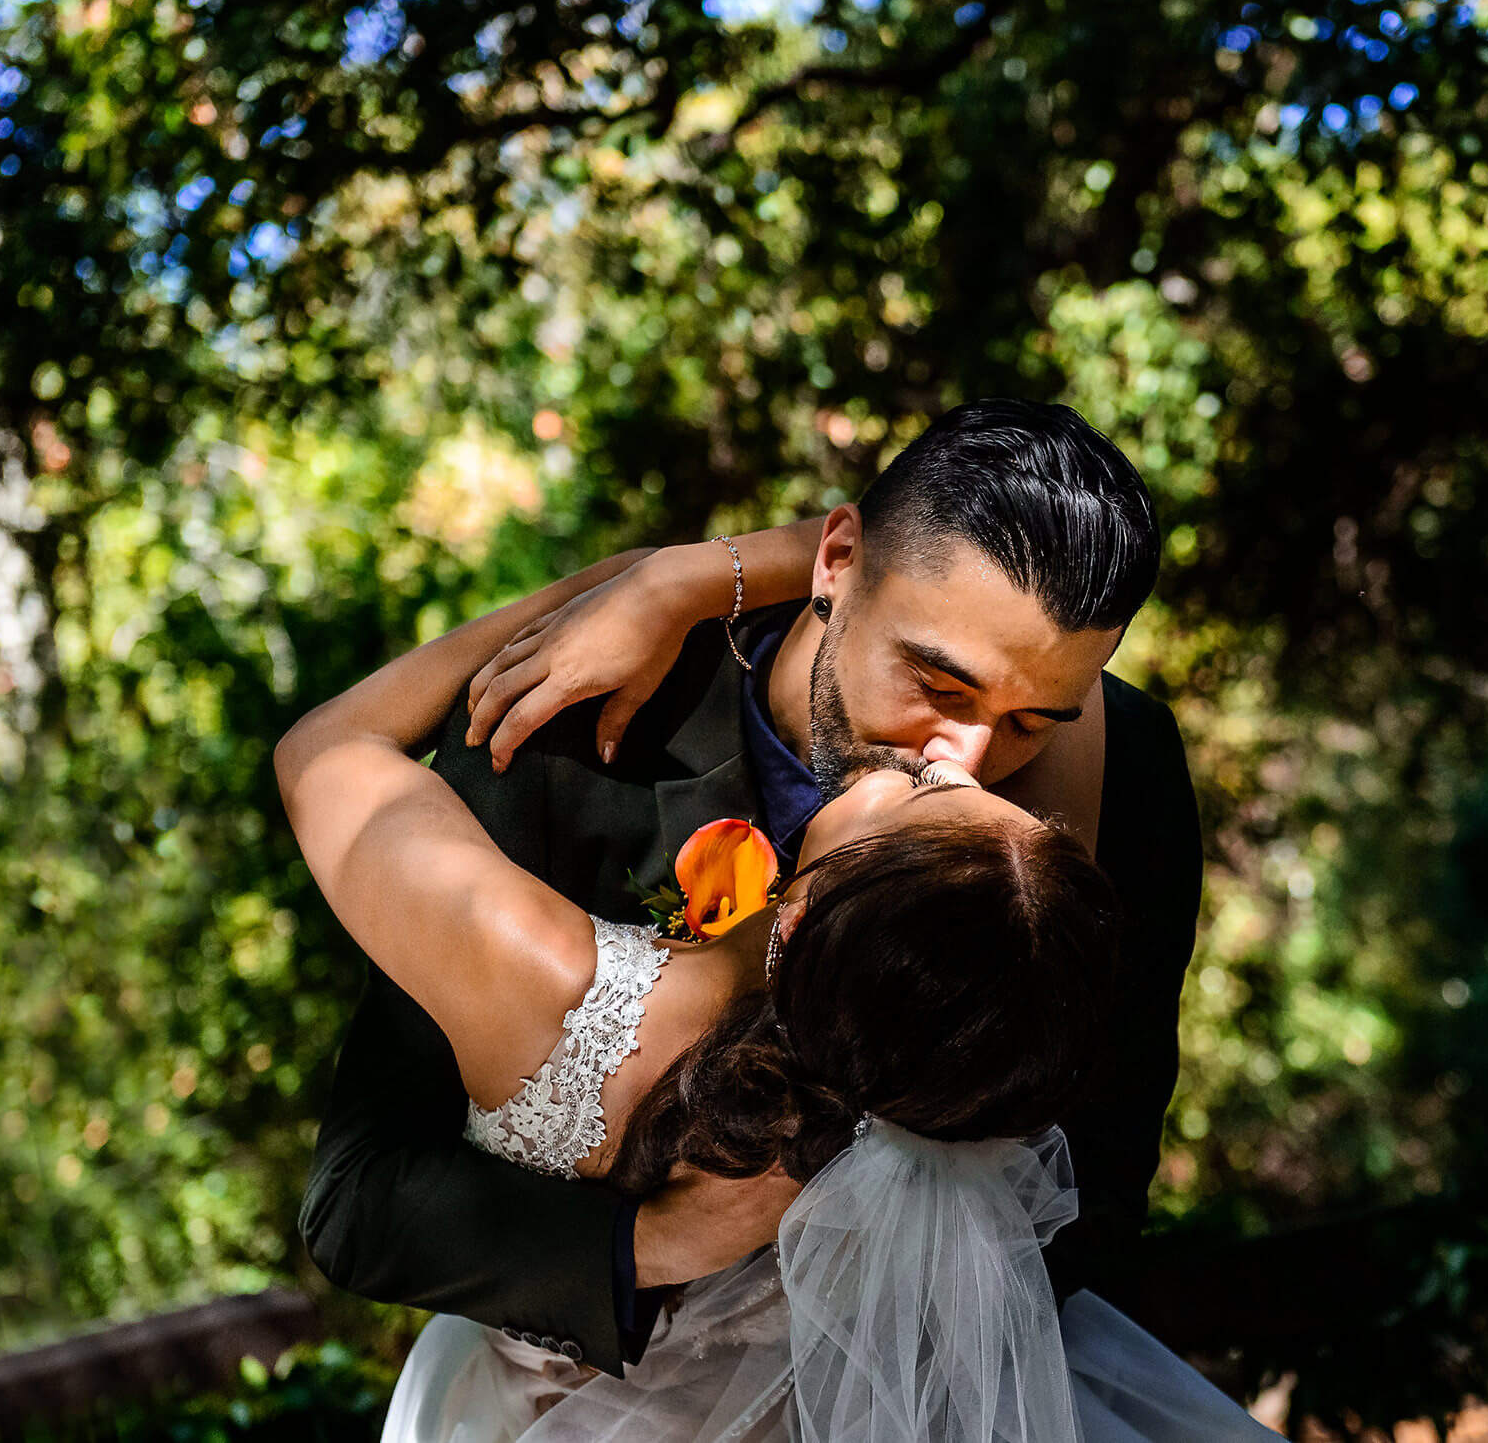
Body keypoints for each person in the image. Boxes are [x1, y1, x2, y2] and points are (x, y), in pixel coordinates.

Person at [298, 402, 1203, 1370]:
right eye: (939, 687)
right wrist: (634, 1255)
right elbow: (362, 1193)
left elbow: (1099, 1189)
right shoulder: (568, 727)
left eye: (1035, 721)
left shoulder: (1122, 772)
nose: (965, 760)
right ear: (837, 560)